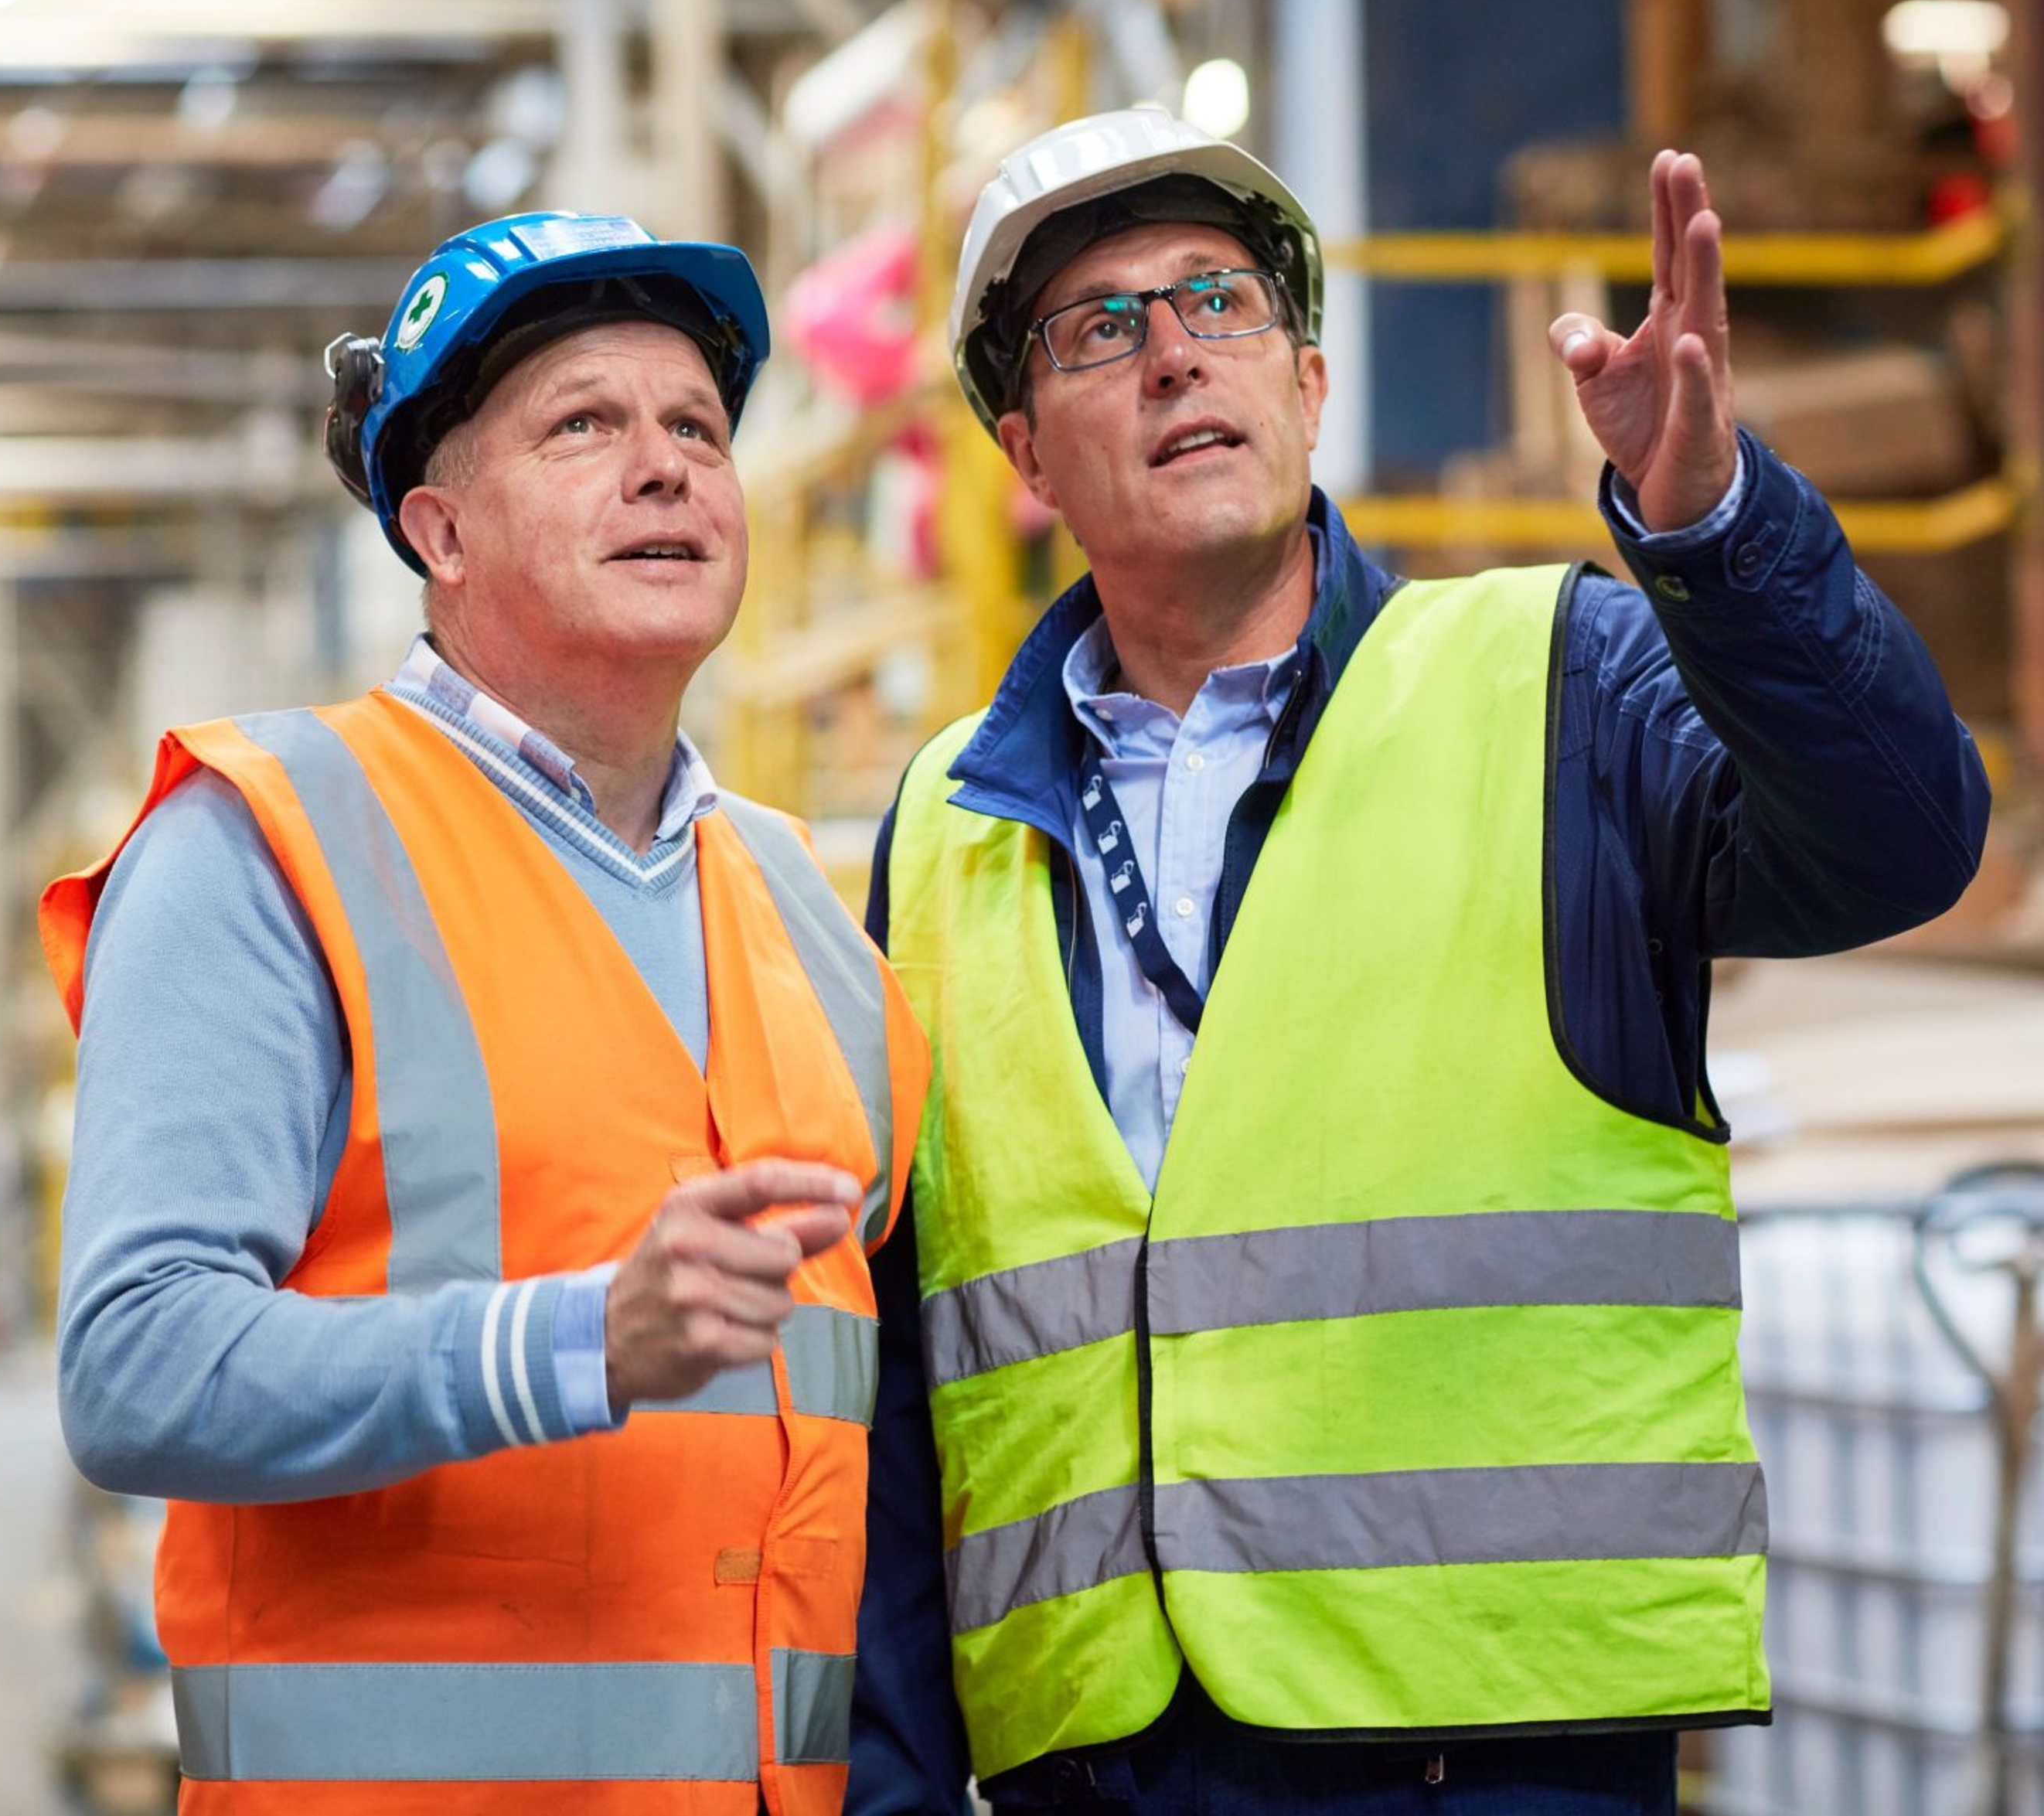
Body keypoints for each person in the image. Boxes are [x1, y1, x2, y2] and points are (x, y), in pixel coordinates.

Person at [848, 109, 1991, 1814]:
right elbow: (902, 1374)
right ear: (1025, 454)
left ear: (1309, 383)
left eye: (1220, 303)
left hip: (1493, 1754)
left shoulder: (1558, 682)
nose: (1174, 356)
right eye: (1101, 328)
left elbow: (1901, 836)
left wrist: (1720, 536)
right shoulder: (945, 828)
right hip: (1101, 1766)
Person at [41, 212, 927, 1816]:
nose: (664, 470)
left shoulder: (807, 908)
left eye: (698, 430)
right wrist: (574, 1342)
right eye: (585, 425)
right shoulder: (268, 842)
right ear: (439, 532)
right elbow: (136, 1366)